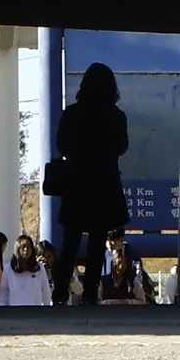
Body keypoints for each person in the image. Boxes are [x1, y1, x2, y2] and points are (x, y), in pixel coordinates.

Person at [49, 62, 132, 304]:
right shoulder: (116, 116)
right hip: (105, 185)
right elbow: (122, 147)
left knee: (71, 241)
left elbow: (62, 144)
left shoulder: (72, 113)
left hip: (76, 183)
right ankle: (89, 295)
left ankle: (60, 292)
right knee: (97, 242)